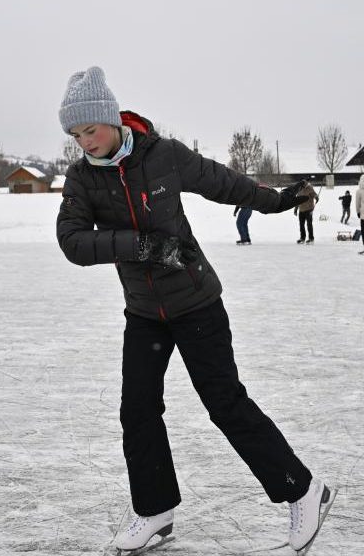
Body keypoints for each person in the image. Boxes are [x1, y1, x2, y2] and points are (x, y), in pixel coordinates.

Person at [54, 66, 330, 554]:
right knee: (137, 411)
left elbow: (224, 184)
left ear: (111, 119)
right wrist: (140, 246)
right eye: (75, 135)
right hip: (143, 312)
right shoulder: (81, 179)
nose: (84, 142)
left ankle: (303, 490)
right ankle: (155, 514)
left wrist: (278, 201)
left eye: (89, 129)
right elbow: (73, 241)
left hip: (196, 301)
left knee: (225, 404)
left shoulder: (163, 156)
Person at [293, 179, 319, 244]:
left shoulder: (309, 188)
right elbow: (297, 200)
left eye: (303, 184)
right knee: (301, 225)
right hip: (301, 209)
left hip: (309, 209)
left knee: (309, 224)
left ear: (305, 183)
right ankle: (302, 238)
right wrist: (296, 209)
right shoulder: (299, 190)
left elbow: (314, 194)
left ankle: (311, 238)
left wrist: (316, 197)